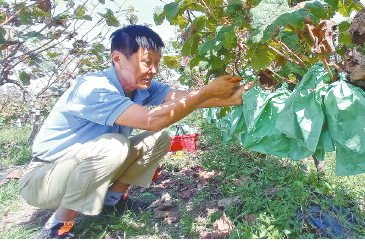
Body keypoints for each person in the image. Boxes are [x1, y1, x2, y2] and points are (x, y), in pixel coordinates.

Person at [18, 25, 252, 239]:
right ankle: (57, 227)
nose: (153, 70)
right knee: (115, 144)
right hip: (44, 180)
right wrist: (207, 91)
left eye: (157, 64)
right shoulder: (94, 88)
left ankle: (112, 202)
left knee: (158, 139)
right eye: (147, 62)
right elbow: (151, 120)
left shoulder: (142, 87)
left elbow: (183, 99)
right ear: (118, 59)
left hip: (82, 168)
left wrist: (229, 100)